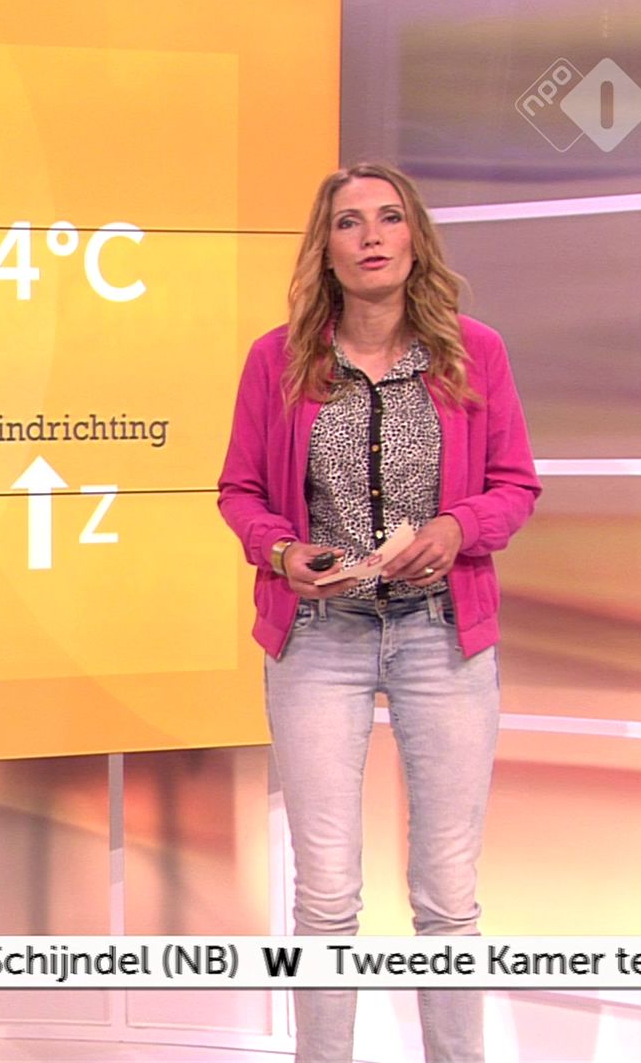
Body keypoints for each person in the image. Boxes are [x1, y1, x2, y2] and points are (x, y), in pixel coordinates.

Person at [216, 162, 541, 1062]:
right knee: (325, 898)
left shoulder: (475, 352)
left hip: (443, 634)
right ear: (324, 248)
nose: (370, 237)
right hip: (320, 638)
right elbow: (240, 491)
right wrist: (283, 553)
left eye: (389, 218)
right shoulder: (278, 360)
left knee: (448, 897)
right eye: (349, 222)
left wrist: (456, 528)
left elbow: (515, 485)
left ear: (414, 238)